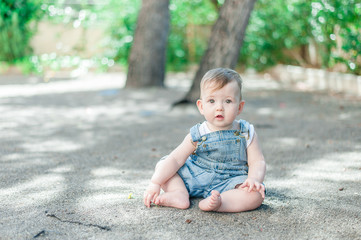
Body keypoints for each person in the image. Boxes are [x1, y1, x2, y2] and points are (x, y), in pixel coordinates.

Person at [143, 68, 266, 212]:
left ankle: (221, 202)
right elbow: (176, 159)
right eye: (212, 101)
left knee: (256, 195)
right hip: (195, 175)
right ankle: (178, 193)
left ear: (239, 107)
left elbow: (257, 161)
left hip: (231, 180)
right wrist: (155, 182)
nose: (219, 108)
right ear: (201, 106)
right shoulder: (198, 133)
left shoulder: (246, 131)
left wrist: (254, 179)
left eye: (228, 101)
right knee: (164, 164)